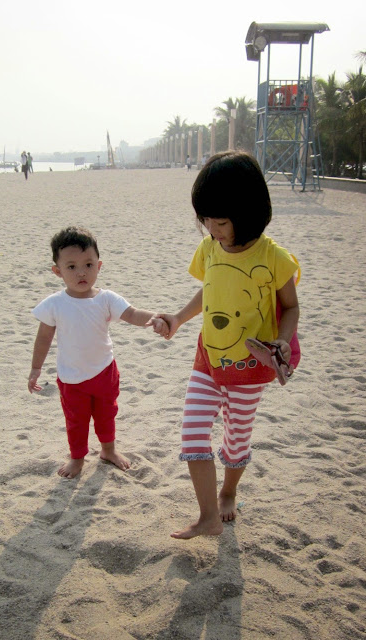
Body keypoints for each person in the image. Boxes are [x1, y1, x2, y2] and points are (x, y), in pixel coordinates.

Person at [155, 151, 300, 539]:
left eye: (219, 222)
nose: (211, 230)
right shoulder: (209, 250)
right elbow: (209, 292)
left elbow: (290, 306)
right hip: (208, 359)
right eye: (204, 221)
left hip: (249, 370)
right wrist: (177, 320)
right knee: (192, 431)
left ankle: (228, 491)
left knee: (236, 442)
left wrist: (282, 342)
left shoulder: (274, 258)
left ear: (249, 212)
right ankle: (208, 517)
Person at [28, 226, 168, 479]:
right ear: (57, 271)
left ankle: (108, 450)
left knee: (106, 414)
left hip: (104, 371)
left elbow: (132, 314)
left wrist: (154, 318)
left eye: (88, 264)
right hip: (71, 377)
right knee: (76, 420)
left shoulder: (106, 299)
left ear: (99, 265)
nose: (81, 272)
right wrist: (36, 368)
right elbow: (43, 338)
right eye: (71, 267)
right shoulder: (54, 304)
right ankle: (77, 458)